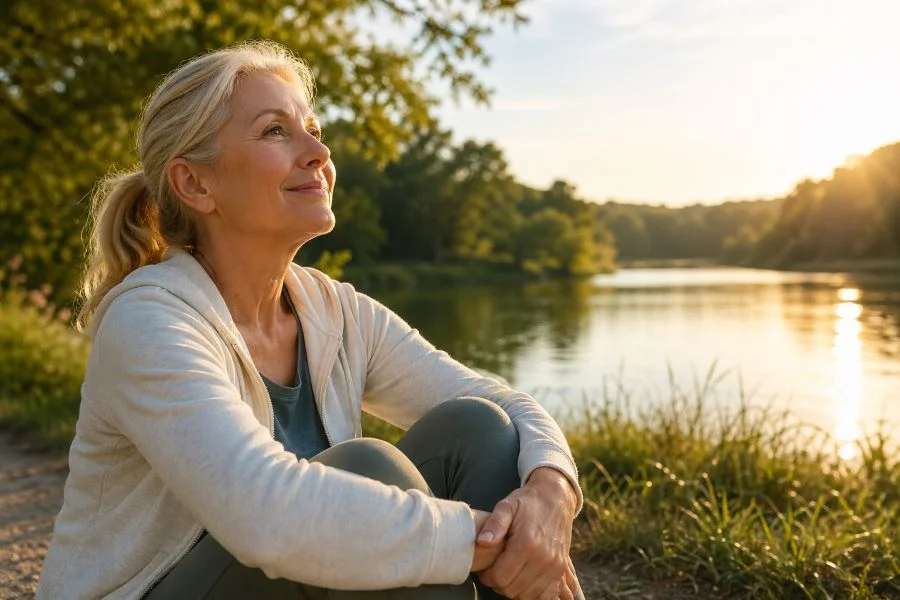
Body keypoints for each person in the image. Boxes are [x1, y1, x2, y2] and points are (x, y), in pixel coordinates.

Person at [37, 40, 583, 600]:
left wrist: (552, 491)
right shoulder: (149, 320)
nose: (318, 153)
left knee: (483, 430)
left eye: (314, 130)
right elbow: (265, 515)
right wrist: (486, 538)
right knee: (367, 467)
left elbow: (504, 403)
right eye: (276, 131)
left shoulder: (335, 312)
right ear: (195, 184)